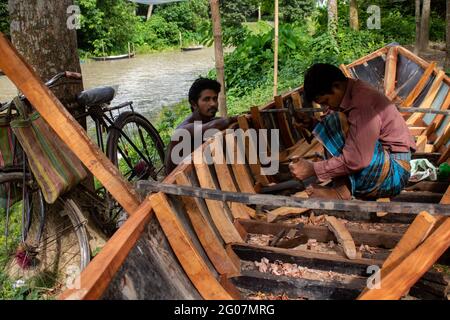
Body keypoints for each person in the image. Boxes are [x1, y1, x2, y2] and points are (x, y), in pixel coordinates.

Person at [289, 63, 416, 200]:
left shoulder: (361, 103)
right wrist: (311, 124)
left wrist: (313, 169)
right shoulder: (351, 92)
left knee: (336, 118)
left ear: (336, 86)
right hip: (382, 168)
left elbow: (357, 160)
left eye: (326, 100)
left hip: (394, 175)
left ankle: (342, 191)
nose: (328, 106)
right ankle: (343, 187)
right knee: (333, 118)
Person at [165, 78, 237, 174]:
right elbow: (209, 128)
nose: (213, 104)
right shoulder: (185, 128)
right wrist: (232, 119)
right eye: (206, 99)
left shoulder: (208, 120)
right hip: (177, 184)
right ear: (194, 104)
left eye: (215, 99)